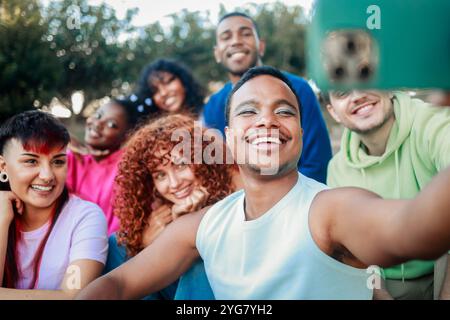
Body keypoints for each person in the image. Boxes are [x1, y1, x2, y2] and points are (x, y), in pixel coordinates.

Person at [76, 67, 450, 300]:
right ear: (229, 136)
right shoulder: (203, 226)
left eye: (284, 111)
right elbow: (118, 285)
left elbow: (414, 228)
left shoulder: (331, 209)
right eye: (248, 111)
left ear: (300, 133)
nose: (267, 121)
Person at [325, 90, 450, 299]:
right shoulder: (338, 170)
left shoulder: (434, 121)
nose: (357, 96)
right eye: (342, 92)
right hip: (384, 281)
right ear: (334, 112)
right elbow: (356, 258)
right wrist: (380, 295)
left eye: (366, 78)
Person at [105, 114, 238, 300]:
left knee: (196, 252)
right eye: (160, 175)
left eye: (181, 165)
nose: (174, 183)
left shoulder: (236, 190)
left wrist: (183, 227)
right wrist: (143, 245)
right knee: (119, 243)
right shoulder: (165, 210)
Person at [202, 12, 332, 183]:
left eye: (246, 34)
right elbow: (221, 168)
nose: (235, 41)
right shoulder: (213, 106)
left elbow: (317, 161)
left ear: (261, 46)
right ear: (217, 53)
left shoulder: (297, 88)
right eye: (226, 37)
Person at [0, 110, 108, 299]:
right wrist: (2, 220)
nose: (47, 175)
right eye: (31, 161)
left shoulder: (85, 216)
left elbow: (74, 296)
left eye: (58, 162)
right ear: (3, 167)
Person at [66, 97, 147, 235]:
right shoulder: (72, 157)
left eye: (112, 125)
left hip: (110, 247)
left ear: (126, 137)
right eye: (98, 115)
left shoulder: (127, 165)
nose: (98, 124)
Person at [137, 59, 205, 117]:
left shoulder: (210, 114)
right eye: (155, 91)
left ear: (183, 81)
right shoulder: (157, 131)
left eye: (167, 82)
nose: (163, 93)